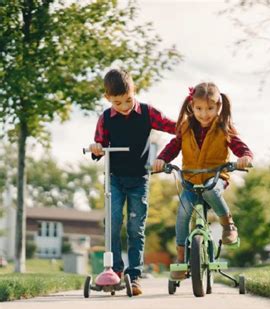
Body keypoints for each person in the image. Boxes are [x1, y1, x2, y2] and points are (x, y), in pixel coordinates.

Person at [153, 82, 253, 280]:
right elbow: (174, 146)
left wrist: (245, 157)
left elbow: (240, 146)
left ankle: (228, 225)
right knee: (182, 213)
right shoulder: (185, 127)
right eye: (199, 108)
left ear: (218, 107)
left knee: (210, 191)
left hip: (215, 178)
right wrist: (162, 159)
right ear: (192, 106)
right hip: (190, 179)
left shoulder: (224, 127)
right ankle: (181, 259)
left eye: (210, 108)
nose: (204, 114)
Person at [89, 69, 176, 295]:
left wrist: (193, 126)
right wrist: (97, 148)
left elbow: (172, 126)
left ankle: (134, 275)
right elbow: (99, 145)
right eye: (118, 103)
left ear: (133, 91)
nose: (125, 106)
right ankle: (115, 271)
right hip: (115, 179)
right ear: (108, 98)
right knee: (114, 223)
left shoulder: (147, 112)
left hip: (139, 179)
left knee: (136, 228)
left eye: (128, 100)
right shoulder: (106, 118)